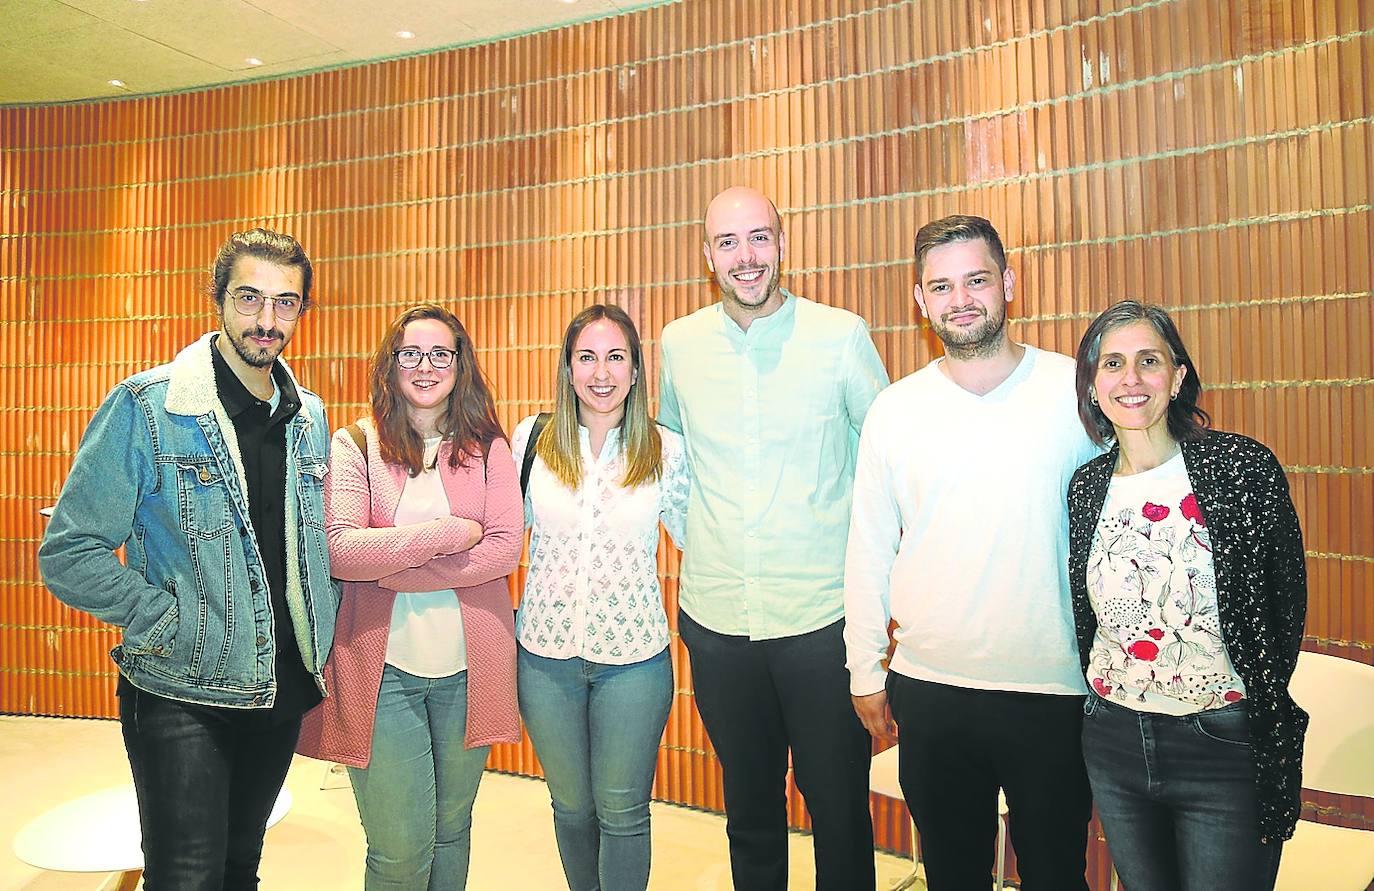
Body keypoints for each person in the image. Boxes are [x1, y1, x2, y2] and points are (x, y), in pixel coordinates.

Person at [37, 228, 338, 890]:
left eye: (285, 303)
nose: (266, 320)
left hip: (276, 688)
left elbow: (310, 546)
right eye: (249, 298)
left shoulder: (308, 415)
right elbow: (68, 550)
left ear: (301, 310)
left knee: (239, 869)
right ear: (218, 299)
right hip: (180, 689)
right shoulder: (150, 405)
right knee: (185, 877)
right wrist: (166, 617)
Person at [844, 214, 1098, 890]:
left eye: (977, 279)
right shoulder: (895, 411)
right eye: (942, 285)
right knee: (953, 875)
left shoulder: (1076, 395)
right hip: (932, 690)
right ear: (920, 300)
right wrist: (864, 666)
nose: (961, 299)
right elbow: (868, 543)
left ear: (1008, 283)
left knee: (1056, 873)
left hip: (1054, 690)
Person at [658, 186, 889, 890]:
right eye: (728, 242)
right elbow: (673, 460)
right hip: (719, 622)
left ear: (782, 244)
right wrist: (700, 538)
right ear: (708, 256)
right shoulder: (678, 343)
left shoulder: (840, 335)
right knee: (749, 809)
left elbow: (885, 461)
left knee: (839, 810)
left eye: (759, 238)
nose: (746, 256)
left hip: (820, 621)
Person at [1067, 300, 1308, 890]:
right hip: (1115, 739)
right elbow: (1087, 614)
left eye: (1149, 361)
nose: (1130, 379)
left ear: (1176, 378)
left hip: (1222, 742)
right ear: (1093, 388)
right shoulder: (1086, 487)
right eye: (1112, 364)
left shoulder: (1241, 467)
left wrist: (1248, 705)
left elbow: (1286, 601)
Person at [295, 304, 523, 890]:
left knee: (451, 832)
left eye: (440, 354)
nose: (426, 366)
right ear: (391, 364)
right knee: (400, 851)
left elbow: (503, 551)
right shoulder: (356, 445)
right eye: (411, 354)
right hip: (382, 674)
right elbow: (343, 551)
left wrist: (397, 566)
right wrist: (448, 535)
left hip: (471, 672)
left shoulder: (488, 447)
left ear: (459, 364)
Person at [510, 303, 690, 891]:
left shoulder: (665, 450)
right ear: (567, 369)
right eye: (586, 357)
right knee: (571, 808)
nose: (601, 372)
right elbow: (500, 535)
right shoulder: (532, 442)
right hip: (544, 659)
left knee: (622, 814)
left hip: (634, 662)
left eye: (616, 357)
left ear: (637, 370)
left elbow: (700, 539)